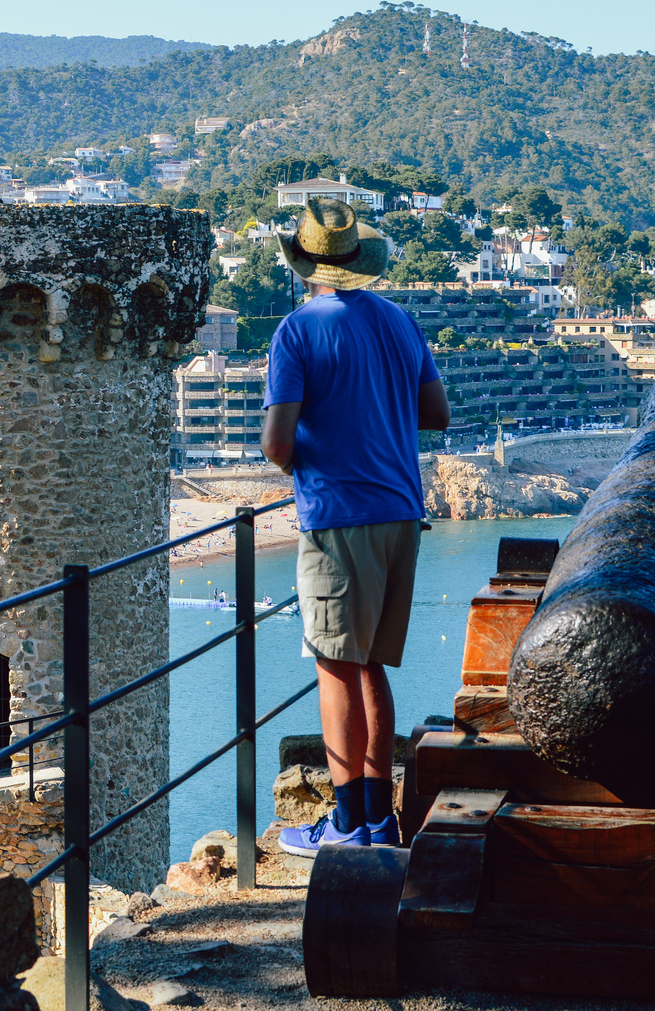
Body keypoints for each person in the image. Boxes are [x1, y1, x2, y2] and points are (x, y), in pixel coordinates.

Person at [261, 199, 450, 857]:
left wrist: (315, 450)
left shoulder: (296, 331)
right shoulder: (400, 322)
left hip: (339, 514)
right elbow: (437, 413)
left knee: (334, 669)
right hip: (401, 509)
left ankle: (345, 824)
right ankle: (379, 822)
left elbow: (276, 443)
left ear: (304, 263)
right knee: (370, 667)